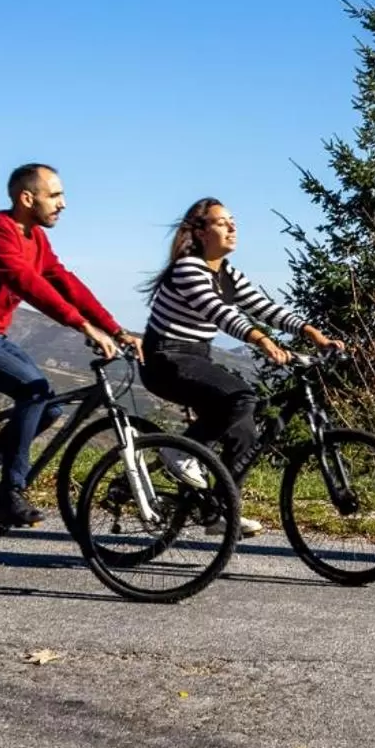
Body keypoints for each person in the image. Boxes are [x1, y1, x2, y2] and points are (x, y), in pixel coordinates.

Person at [0, 163, 142, 526]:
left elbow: (63, 282)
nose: (64, 203)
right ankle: (10, 492)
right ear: (28, 198)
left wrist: (115, 329)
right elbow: (25, 282)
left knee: (49, 408)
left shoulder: (36, 238)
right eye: (55, 195)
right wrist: (81, 326)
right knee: (34, 391)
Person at [140, 197, 342, 533]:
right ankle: (176, 452)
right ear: (202, 232)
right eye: (222, 222)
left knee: (246, 433)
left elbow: (263, 306)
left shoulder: (228, 273)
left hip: (196, 358)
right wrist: (263, 342)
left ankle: (217, 512)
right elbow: (220, 312)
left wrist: (313, 334)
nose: (232, 227)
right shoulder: (188, 268)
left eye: (233, 221)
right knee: (241, 398)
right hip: (165, 359)